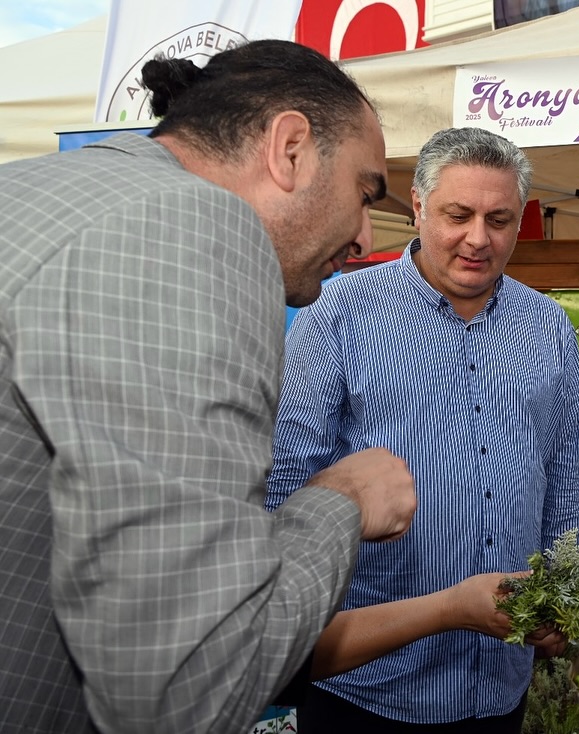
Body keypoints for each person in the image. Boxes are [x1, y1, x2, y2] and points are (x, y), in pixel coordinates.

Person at [0, 40, 417, 734]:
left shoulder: (39, 187)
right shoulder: (194, 225)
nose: (365, 232)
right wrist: (339, 503)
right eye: (365, 191)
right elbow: (187, 690)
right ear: (290, 149)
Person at [265, 126, 579, 732]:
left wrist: (560, 597)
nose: (478, 238)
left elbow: (563, 477)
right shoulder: (336, 315)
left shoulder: (547, 326)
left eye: (499, 219)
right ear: (417, 205)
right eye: (457, 215)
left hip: (499, 680)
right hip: (365, 684)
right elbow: (289, 488)